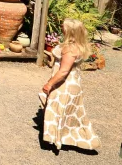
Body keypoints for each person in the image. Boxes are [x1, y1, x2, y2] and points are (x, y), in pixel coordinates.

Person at [40, 18, 101, 151]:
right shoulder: (78, 45)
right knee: (70, 112)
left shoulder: (70, 49)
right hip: (74, 82)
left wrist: (49, 84)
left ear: (69, 31)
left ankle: (59, 138)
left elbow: (63, 71)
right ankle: (63, 137)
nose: (61, 28)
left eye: (64, 27)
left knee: (58, 110)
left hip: (65, 84)